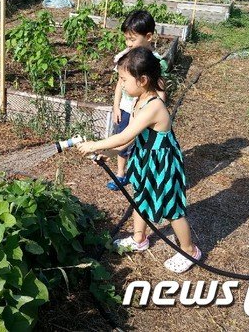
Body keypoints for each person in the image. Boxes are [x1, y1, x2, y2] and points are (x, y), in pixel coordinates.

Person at [78, 47, 201, 273]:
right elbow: (131, 139)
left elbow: (124, 134)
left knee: (172, 209)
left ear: (143, 80)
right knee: (140, 198)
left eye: (124, 80)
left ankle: (189, 250)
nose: (121, 85)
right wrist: (113, 153)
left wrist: (95, 144)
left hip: (163, 163)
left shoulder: (154, 105)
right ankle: (139, 239)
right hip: (145, 158)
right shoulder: (138, 101)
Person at [107, 10, 166, 192]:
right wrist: (116, 106)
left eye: (132, 39)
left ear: (148, 36)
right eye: (126, 39)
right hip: (126, 108)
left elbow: (161, 90)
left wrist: (158, 110)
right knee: (122, 140)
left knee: (139, 143)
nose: (128, 43)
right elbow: (119, 83)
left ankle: (139, 172)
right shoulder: (126, 58)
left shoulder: (155, 63)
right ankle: (120, 173)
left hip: (144, 114)